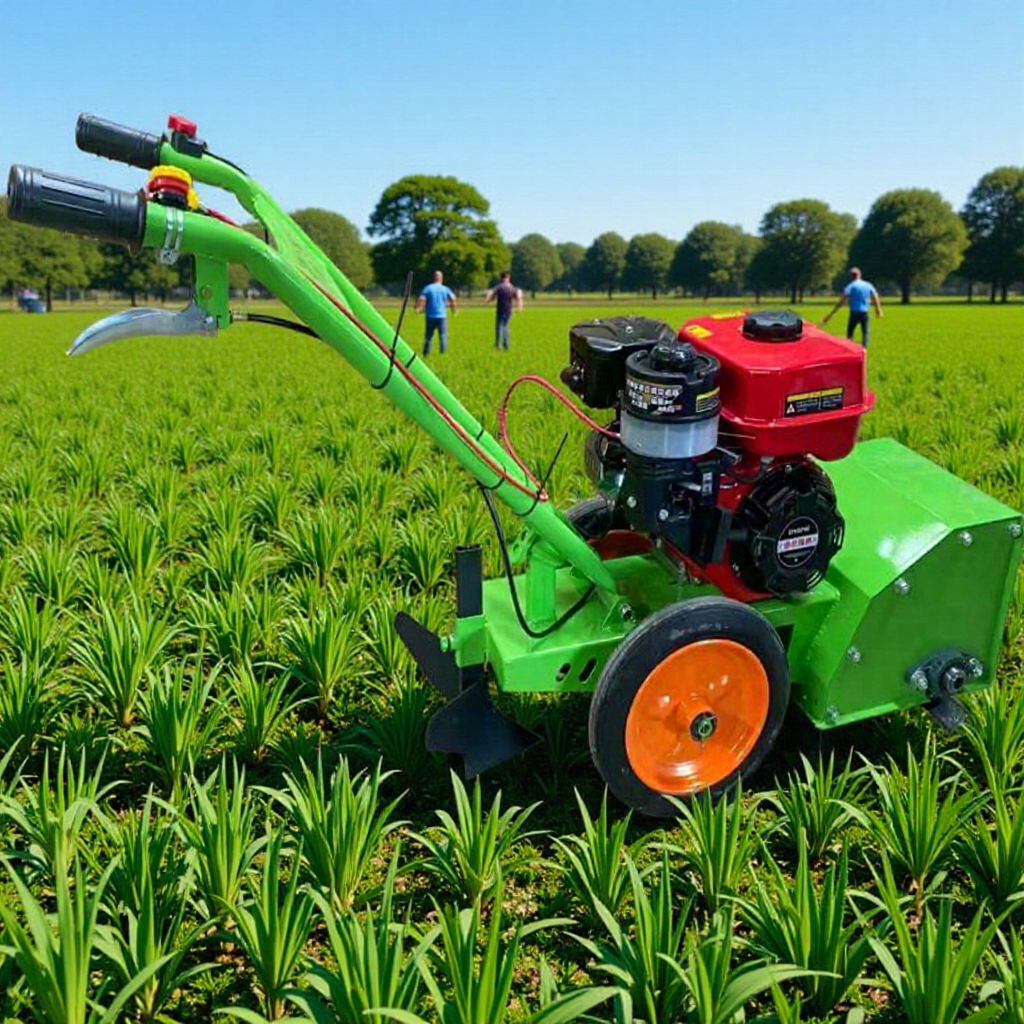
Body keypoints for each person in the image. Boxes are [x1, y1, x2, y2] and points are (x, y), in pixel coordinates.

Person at [823, 267, 883, 346]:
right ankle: (864, 348)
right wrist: (878, 309)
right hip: (865, 312)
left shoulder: (850, 286)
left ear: (851, 276)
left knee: (850, 332)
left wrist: (833, 312)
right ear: (860, 275)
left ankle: (850, 348)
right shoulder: (868, 285)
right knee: (865, 332)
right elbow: (875, 297)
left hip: (854, 312)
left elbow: (842, 300)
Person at [415, 270, 457, 355]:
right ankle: (443, 353)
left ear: (434, 278)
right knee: (443, 335)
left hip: (430, 316)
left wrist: (418, 308)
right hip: (442, 316)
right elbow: (452, 299)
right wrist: (454, 310)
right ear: (441, 278)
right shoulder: (445, 289)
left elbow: (422, 298)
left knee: (428, 336)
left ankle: (426, 352)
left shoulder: (428, 288)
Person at [483, 271, 524, 351]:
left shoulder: (499, 287)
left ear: (501, 278)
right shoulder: (512, 287)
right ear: (508, 278)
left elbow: (492, 297)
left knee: (499, 327)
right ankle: (506, 345)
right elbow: (518, 298)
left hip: (500, 309)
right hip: (509, 310)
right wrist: (519, 307)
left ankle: (497, 345)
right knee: (506, 326)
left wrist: (486, 301)